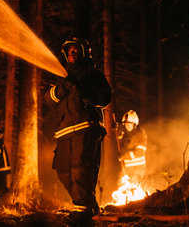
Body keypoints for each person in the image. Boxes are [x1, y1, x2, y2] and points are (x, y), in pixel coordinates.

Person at [44, 37, 111, 217]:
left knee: (81, 167)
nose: (72, 53)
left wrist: (89, 95)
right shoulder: (60, 76)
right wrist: (62, 88)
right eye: (70, 50)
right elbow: (48, 100)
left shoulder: (93, 75)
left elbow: (105, 98)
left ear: (83, 52)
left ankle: (82, 209)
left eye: (76, 50)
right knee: (63, 170)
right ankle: (89, 204)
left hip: (86, 127)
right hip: (64, 131)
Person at [117, 110, 148, 184]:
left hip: (137, 170)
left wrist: (125, 156)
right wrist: (116, 131)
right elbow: (120, 143)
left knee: (134, 189)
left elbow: (140, 152)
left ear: (135, 124)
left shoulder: (140, 134)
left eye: (129, 123)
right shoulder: (125, 134)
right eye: (125, 123)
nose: (127, 125)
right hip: (126, 169)